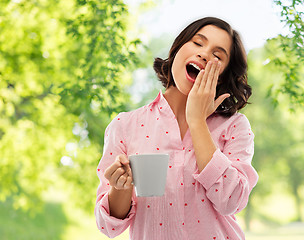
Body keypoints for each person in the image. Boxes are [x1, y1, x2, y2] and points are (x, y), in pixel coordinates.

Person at [95, 16, 258, 240]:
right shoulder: (125, 126)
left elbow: (231, 201)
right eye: (198, 43)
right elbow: (108, 227)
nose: (204, 54)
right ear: (177, 49)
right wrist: (120, 187)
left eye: (217, 55)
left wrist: (197, 121)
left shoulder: (235, 126)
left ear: (222, 76)